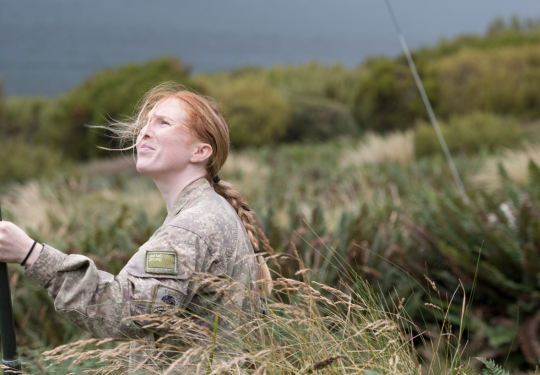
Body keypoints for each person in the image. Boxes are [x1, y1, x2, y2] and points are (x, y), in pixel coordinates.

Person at [0, 82, 273, 371]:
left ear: (200, 151)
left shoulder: (191, 227)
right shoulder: (210, 211)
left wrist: (30, 254)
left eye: (163, 122)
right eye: (145, 123)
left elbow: (126, 311)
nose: (145, 131)